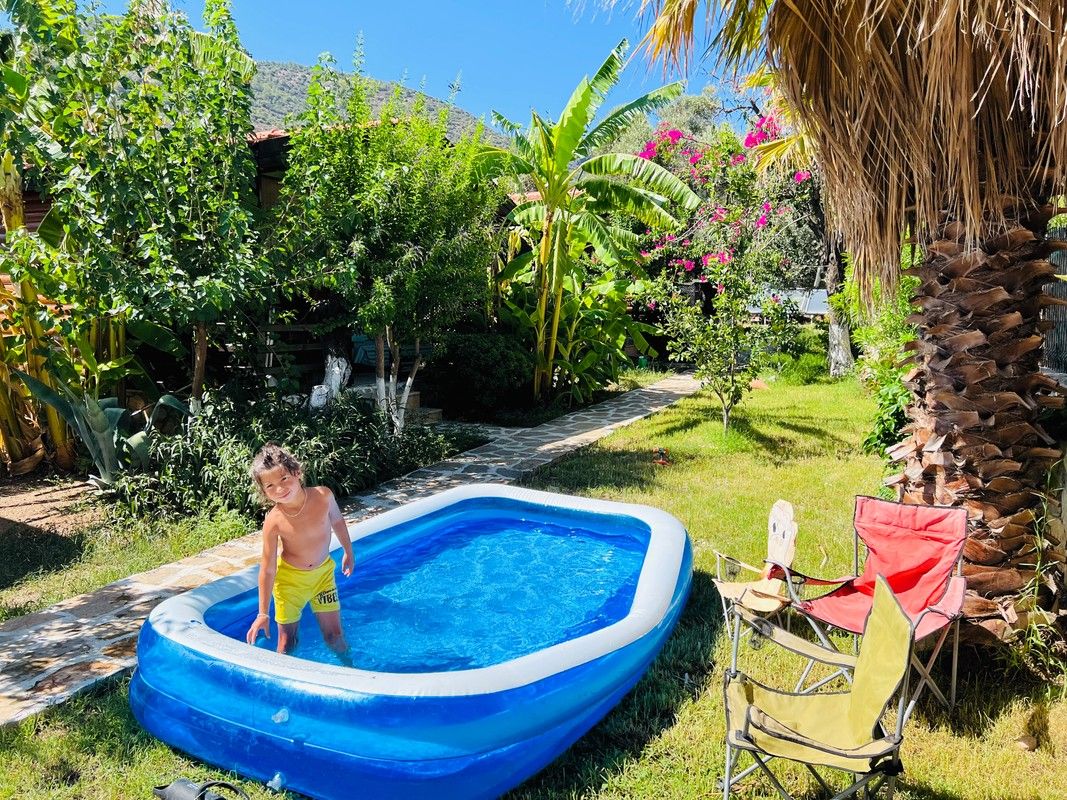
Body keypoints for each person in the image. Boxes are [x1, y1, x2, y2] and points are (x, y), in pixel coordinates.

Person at [244, 443, 354, 659]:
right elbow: (267, 569)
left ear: (297, 473)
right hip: (289, 585)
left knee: (335, 636)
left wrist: (349, 552)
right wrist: (263, 613)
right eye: (270, 486)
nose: (279, 489)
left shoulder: (323, 496)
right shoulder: (273, 521)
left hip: (323, 577)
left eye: (284, 479)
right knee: (287, 643)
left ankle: (351, 671)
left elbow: (338, 522)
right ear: (264, 492)